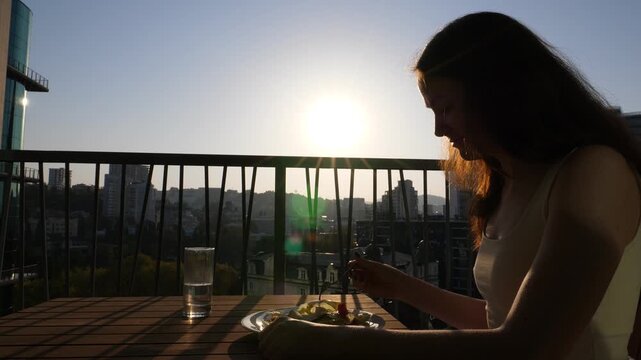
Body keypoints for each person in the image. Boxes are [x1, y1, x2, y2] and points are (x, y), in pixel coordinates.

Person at [258, 11, 641, 359]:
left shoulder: (595, 172)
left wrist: (339, 342)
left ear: (499, 94)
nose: (439, 129)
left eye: (446, 108)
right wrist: (405, 287)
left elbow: (531, 346)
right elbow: (500, 323)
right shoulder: (509, 184)